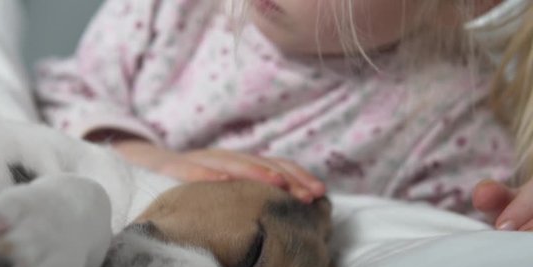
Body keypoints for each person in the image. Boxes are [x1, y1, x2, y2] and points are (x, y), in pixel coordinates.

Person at [36, 0, 532, 229]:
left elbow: (450, 254)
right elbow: (62, 92)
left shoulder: (443, 117)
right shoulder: (175, 11)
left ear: (459, 7)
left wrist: (508, 223)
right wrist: (141, 157)